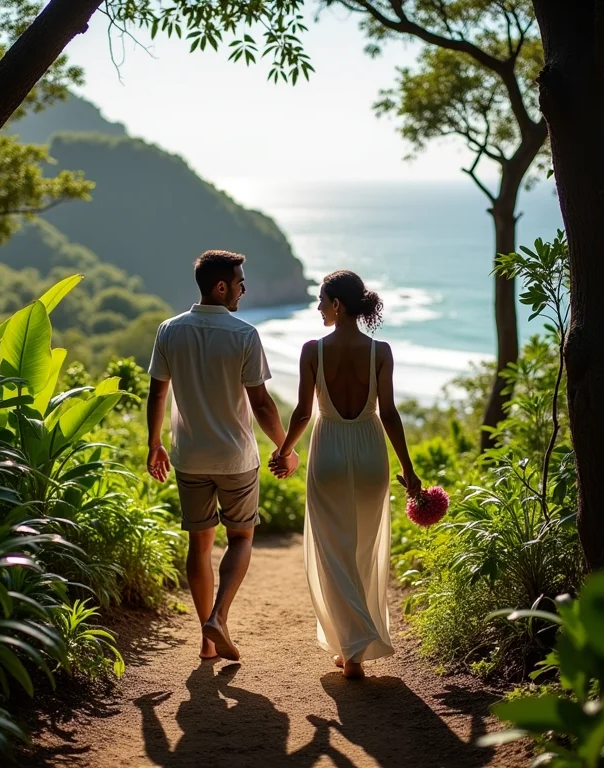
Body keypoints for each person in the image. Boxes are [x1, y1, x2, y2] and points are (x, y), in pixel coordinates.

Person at [146, 250, 298, 661]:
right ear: (220, 287)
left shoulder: (169, 330)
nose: (244, 289)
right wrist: (285, 448)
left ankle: (207, 640)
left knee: (199, 545)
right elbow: (262, 404)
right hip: (235, 458)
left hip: (189, 456)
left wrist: (154, 443)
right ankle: (219, 616)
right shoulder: (244, 334)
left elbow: (158, 393)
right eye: (239, 282)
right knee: (241, 537)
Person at [270, 270, 421, 679]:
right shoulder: (381, 351)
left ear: (337, 304)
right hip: (371, 452)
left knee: (332, 550)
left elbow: (303, 413)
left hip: (329, 452)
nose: (318, 308)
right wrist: (408, 468)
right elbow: (389, 413)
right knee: (365, 548)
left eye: (322, 301)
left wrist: (284, 451)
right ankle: (356, 644)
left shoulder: (312, 351)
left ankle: (352, 649)